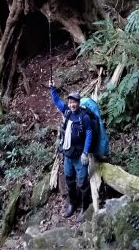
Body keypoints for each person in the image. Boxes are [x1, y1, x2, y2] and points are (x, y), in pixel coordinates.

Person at [49, 80, 92, 219]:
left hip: (80, 156)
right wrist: (52, 88)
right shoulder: (67, 112)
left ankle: (85, 208)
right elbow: (56, 101)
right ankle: (73, 204)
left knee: (83, 183)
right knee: (70, 181)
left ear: (78, 103)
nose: (72, 104)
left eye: (74, 102)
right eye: (70, 102)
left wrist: (85, 152)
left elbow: (89, 134)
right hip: (68, 155)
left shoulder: (84, 117)